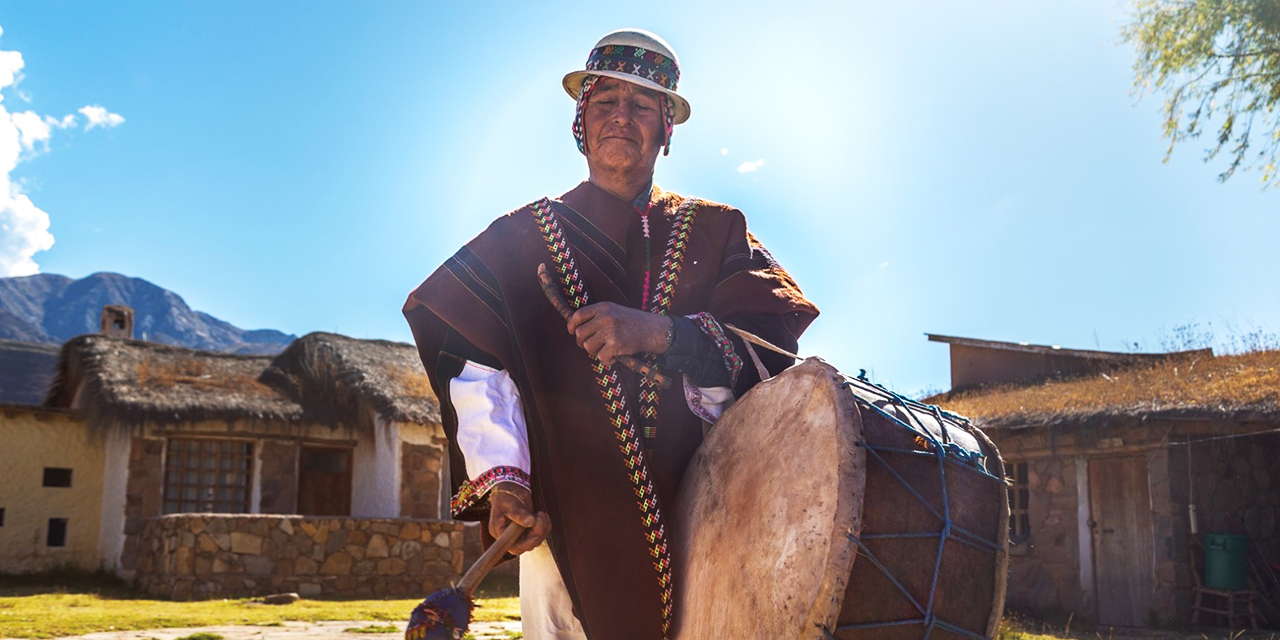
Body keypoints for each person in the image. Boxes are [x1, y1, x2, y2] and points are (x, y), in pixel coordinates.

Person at [404, 28, 818, 640]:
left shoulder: (719, 231)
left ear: (666, 128)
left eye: (641, 105)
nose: (621, 117)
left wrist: (661, 334)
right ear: (581, 122)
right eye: (605, 102)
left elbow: (770, 344)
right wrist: (505, 485)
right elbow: (477, 370)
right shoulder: (517, 242)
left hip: (708, 519)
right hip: (564, 527)